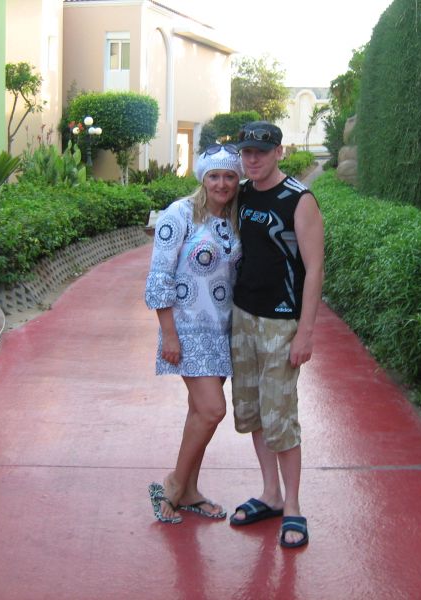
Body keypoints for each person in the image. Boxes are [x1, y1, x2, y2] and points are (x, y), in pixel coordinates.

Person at [228, 121, 324, 548]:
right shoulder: (244, 194)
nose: (253, 159)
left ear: (279, 153)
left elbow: (315, 269)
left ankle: (293, 507)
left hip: (281, 322)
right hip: (243, 316)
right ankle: (270, 494)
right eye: (247, 152)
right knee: (254, 411)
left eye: (261, 152)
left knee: (281, 415)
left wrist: (306, 332)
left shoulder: (298, 200)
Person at [145, 144, 244, 524]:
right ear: (203, 178)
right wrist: (169, 334)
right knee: (213, 409)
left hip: (222, 330)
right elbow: (160, 275)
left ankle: (189, 491)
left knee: (199, 413)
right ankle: (174, 483)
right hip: (187, 330)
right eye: (214, 176)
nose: (222, 183)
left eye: (230, 176)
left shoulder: (233, 218)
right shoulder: (180, 213)